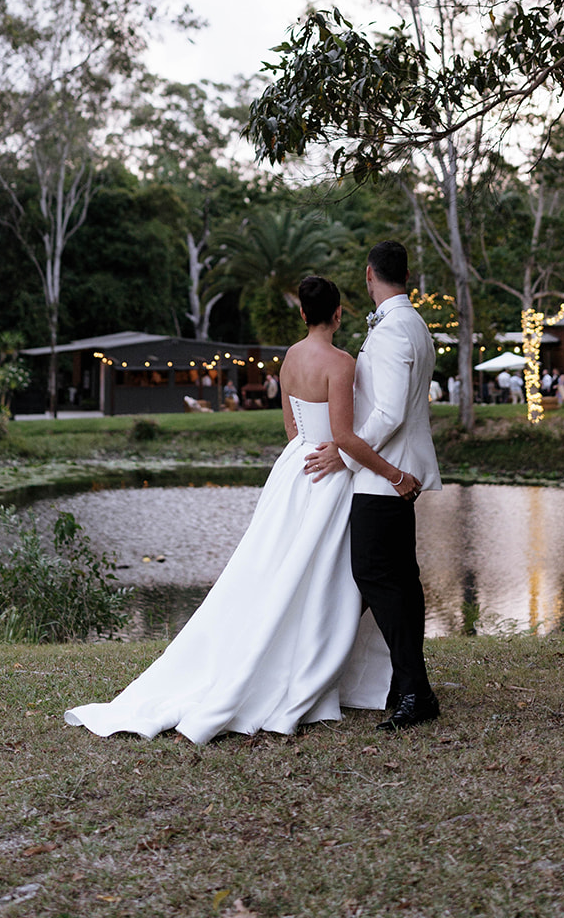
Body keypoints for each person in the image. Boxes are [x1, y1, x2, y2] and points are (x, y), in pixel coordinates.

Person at [64, 274, 415, 744]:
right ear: (338, 313)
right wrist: (393, 473)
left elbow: (292, 428)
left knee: (277, 568)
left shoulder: (290, 357)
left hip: (295, 468)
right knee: (323, 577)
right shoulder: (341, 362)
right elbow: (346, 437)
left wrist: (310, 451)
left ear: (302, 314)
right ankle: (312, 664)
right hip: (327, 472)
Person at [305, 240, 442, 731]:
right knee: (400, 581)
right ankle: (410, 686)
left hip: (384, 477)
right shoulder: (415, 325)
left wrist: (345, 453)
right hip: (394, 473)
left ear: (369, 275)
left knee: (379, 578)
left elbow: (386, 412)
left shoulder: (390, 333)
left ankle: (414, 690)